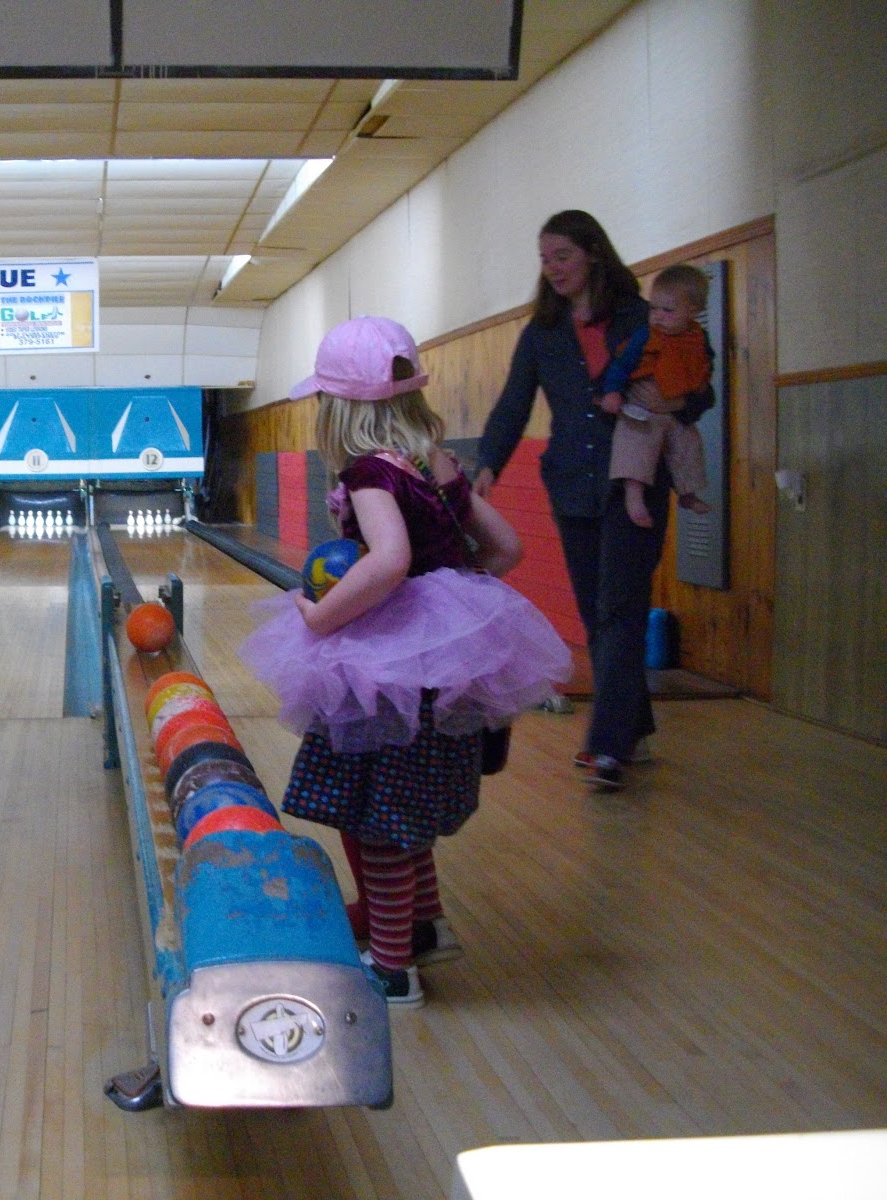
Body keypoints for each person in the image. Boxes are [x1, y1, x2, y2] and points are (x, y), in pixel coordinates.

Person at [240, 317, 571, 1006]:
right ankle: (424, 927)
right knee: (404, 811)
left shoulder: (368, 472)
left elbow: (387, 562)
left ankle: (393, 971)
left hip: (390, 663)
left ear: (341, 408)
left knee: (381, 823)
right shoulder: (437, 460)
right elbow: (506, 549)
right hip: (441, 660)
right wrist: (450, 585)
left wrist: (322, 615)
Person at [473, 211, 713, 791]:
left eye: (562, 255)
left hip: (634, 479)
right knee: (594, 609)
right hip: (572, 481)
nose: (551, 268)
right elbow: (513, 403)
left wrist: (677, 406)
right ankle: (635, 722)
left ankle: (607, 748)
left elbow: (696, 381)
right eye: (544, 258)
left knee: (618, 606)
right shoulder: (542, 332)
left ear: (592, 255)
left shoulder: (639, 316)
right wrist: (486, 467)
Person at [598, 264, 713, 528]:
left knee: (688, 444)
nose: (658, 316)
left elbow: (703, 374)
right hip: (640, 406)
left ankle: (688, 493)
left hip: (674, 408)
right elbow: (622, 364)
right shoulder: (644, 336)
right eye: (654, 308)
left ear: (692, 312)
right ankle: (633, 494)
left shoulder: (697, 338)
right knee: (635, 441)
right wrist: (613, 391)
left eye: (668, 311)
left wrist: (696, 392)